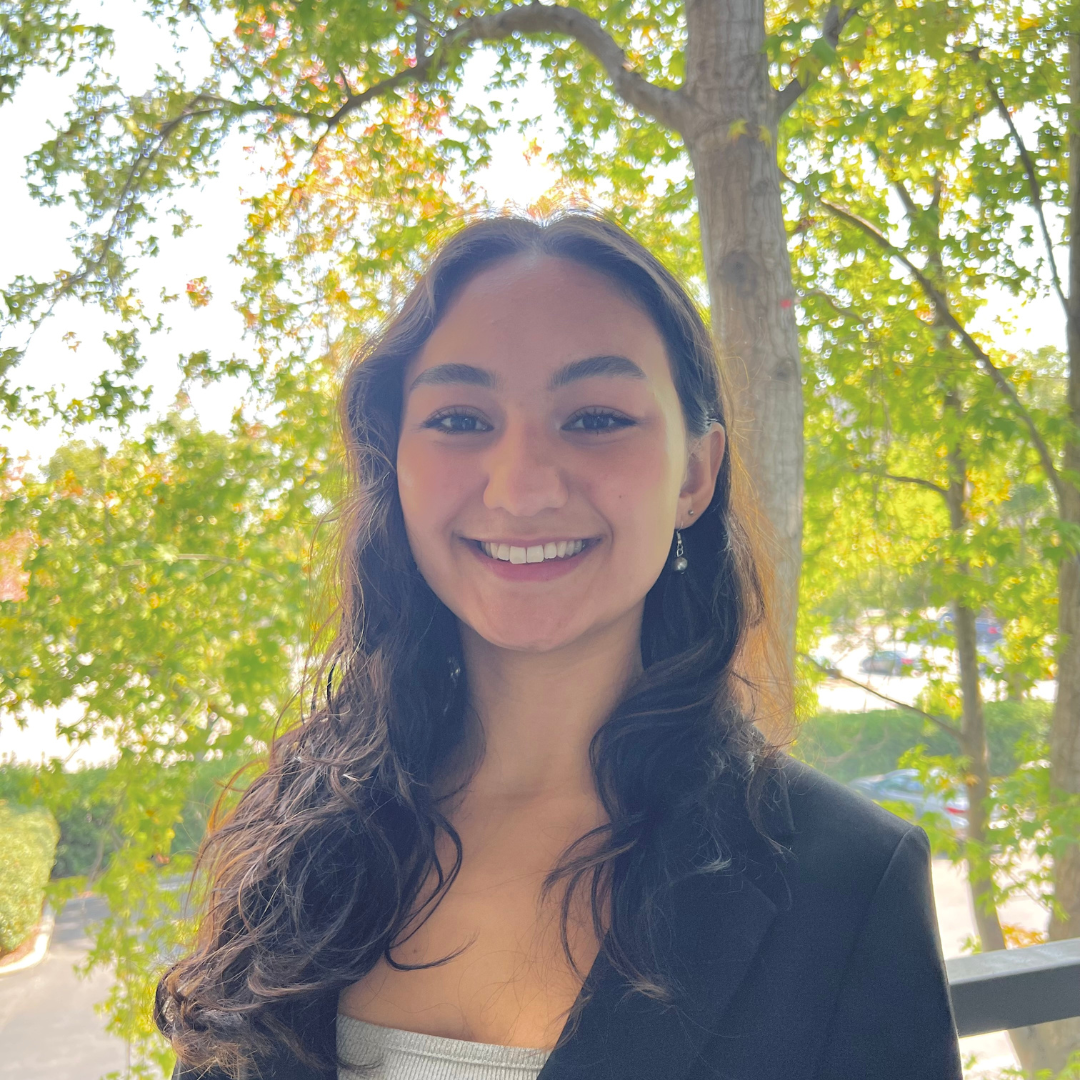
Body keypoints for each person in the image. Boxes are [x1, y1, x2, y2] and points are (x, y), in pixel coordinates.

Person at [157, 212, 962, 1080]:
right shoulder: (296, 838)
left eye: (596, 417)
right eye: (461, 419)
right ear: (396, 467)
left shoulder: (848, 883)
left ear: (694, 475)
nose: (523, 487)